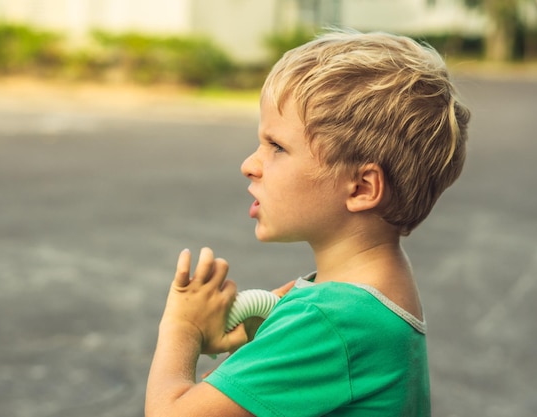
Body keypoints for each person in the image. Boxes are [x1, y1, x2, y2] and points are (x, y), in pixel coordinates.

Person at [145, 29, 470, 417]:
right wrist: (260, 328)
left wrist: (182, 328)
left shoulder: (330, 322)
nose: (250, 165)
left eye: (277, 147)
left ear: (362, 187)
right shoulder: (370, 292)